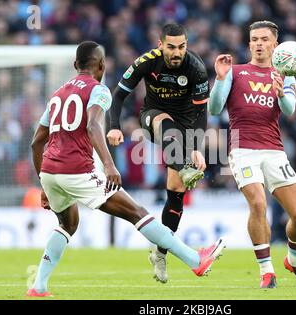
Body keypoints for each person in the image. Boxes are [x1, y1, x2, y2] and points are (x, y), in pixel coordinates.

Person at [26, 41, 225, 297]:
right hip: (76, 171)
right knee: (137, 213)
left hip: (50, 172)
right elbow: (93, 126)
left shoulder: (57, 94)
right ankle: (195, 261)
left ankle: (39, 287)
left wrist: (45, 183)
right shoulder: (98, 90)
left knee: (67, 224)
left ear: (76, 65)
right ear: (101, 65)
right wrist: (109, 165)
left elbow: (36, 142)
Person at [208, 21, 296, 288]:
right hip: (242, 149)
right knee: (258, 203)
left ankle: (294, 260)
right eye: (254, 39)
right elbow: (214, 108)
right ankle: (266, 271)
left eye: (264, 39)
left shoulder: (285, 74)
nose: (258, 43)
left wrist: (281, 94)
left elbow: (289, 110)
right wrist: (220, 80)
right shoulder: (235, 72)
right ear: (249, 44)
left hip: (274, 151)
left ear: (275, 45)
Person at [107, 23, 209, 283]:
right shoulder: (146, 62)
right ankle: (185, 165)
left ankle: (161, 253)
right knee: (166, 124)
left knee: (175, 196)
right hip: (153, 119)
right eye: (172, 47)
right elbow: (118, 97)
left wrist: (196, 146)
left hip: (185, 127)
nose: (177, 53)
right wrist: (115, 128)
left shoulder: (196, 68)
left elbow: (201, 112)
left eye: (182, 47)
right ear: (160, 44)